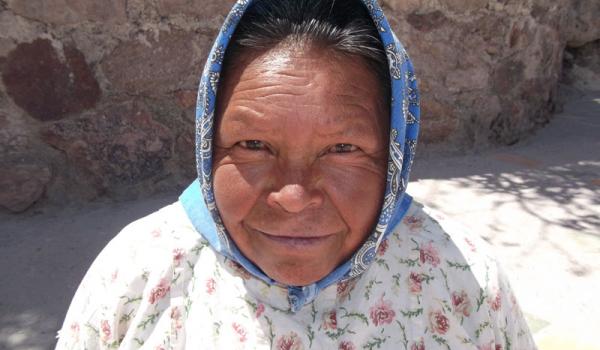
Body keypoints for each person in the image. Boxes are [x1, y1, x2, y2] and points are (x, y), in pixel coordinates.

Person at [56, 0, 536, 348]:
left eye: (342, 148)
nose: (293, 195)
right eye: (253, 145)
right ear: (208, 140)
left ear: (393, 154)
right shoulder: (138, 274)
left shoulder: (460, 280)